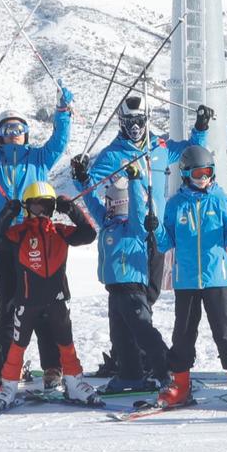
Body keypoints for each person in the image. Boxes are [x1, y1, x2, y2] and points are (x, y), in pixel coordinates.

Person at [0, 86, 73, 385]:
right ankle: (11, 365)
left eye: (19, 128)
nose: (13, 133)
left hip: (36, 240)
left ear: (26, 132)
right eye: (7, 129)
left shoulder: (39, 159)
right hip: (6, 242)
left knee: (45, 305)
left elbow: (59, 142)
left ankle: (53, 366)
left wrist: (63, 112)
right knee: (9, 305)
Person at [76, 96, 181, 384]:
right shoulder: (112, 155)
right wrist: (81, 178)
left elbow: (187, 150)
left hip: (151, 229)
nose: (135, 128)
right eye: (129, 123)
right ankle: (132, 360)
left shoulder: (158, 146)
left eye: (139, 122)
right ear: (121, 123)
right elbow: (92, 186)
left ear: (146, 120)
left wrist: (199, 130)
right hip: (127, 232)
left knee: (150, 295)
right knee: (131, 308)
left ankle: (154, 360)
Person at [154, 144, 227, 408]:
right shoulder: (175, 204)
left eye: (208, 173)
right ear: (185, 173)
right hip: (186, 280)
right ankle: (180, 383)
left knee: (225, 333)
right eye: (198, 173)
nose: (204, 179)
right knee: (183, 334)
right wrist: (154, 229)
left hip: (216, 279)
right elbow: (166, 243)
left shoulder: (220, 200)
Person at [0, 181, 100, 407]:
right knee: (17, 345)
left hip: (57, 300)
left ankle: (74, 382)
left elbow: (89, 234)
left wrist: (71, 209)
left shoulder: (60, 231)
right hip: (27, 302)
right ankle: (8, 386)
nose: (41, 212)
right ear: (28, 208)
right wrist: (8, 212)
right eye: (36, 207)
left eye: (46, 207)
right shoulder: (19, 233)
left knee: (65, 342)